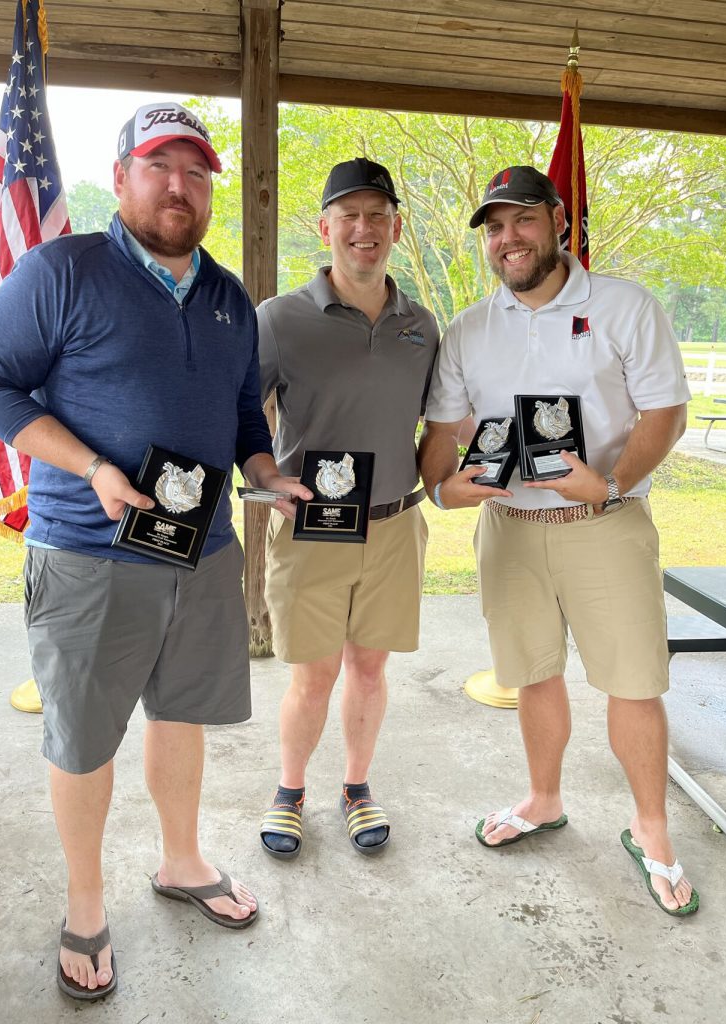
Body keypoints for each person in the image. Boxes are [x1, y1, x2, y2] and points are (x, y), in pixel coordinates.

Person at [0, 101, 310, 1001]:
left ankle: (182, 860)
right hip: (88, 554)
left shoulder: (228, 296)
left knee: (180, 716)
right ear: (122, 176)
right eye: (159, 166)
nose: (179, 185)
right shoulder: (63, 270)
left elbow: (246, 416)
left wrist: (265, 472)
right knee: (84, 738)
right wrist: (90, 466)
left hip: (200, 552)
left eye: (195, 171)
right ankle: (85, 904)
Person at [418, 165, 698, 917]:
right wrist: (445, 489)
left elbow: (663, 414)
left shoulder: (623, 305)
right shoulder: (471, 329)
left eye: (523, 221)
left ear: (557, 219)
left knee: (633, 683)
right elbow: (444, 432)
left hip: (603, 525)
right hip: (509, 528)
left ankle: (651, 829)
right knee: (534, 676)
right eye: (495, 227)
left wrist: (607, 485)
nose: (509, 239)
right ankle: (544, 800)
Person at [256, 158, 439, 859]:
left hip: (395, 525)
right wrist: (263, 473)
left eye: (377, 216)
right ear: (325, 226)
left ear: (395, 226)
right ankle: (290, 791)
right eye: (349, 216)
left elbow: (440, 424)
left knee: (369, 669)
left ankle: (357, 787)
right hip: (312, 529)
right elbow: (246, 415)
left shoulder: (420, 324)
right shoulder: (279, 318)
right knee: (314, 674)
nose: (364, 229)